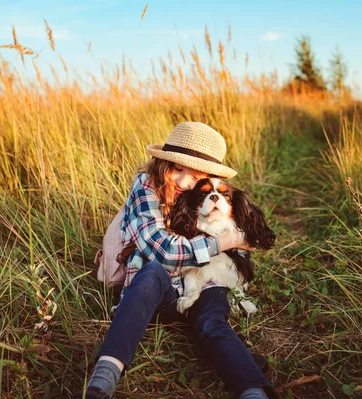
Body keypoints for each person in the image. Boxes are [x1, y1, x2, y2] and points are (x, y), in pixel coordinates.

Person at [74, 122, 277, 399]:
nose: (182, 182)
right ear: (161, 163)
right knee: (153, 270)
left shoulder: (200, 200)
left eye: (194, 176)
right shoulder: (146, 187)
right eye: (176, 169)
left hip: (204, 286)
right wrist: (226, 242)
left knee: (213, 323)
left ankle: (254, 392)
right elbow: (164, 252)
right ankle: (102, 380)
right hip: (159, 292)